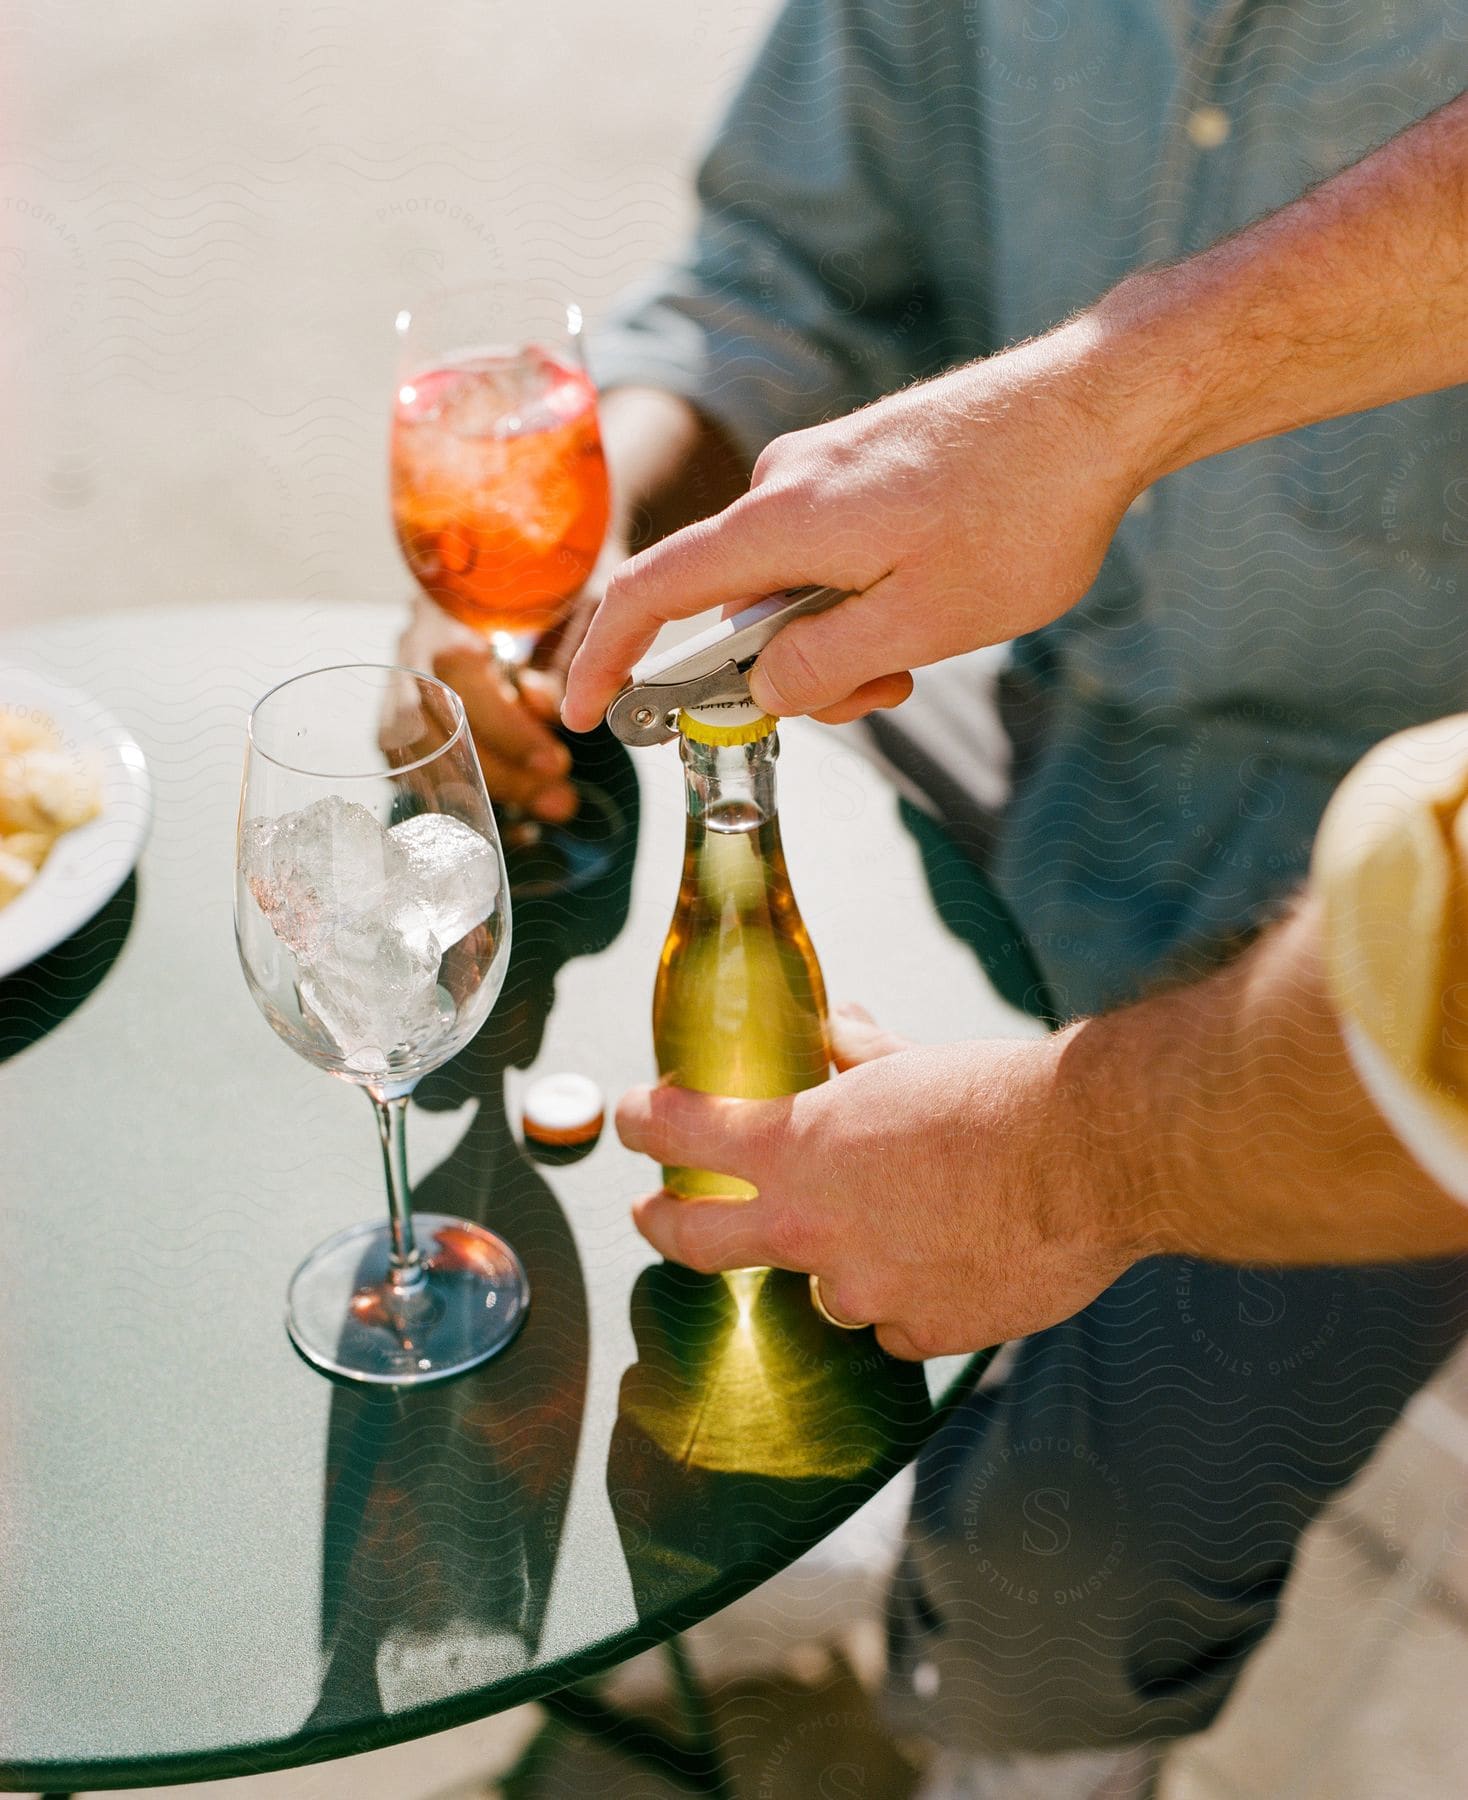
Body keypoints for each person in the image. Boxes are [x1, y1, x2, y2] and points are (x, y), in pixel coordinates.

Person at [404, 6, 1468, 1792]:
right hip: (1030, 679)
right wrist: (601, 560)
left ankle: (1017, 1734)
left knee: (1073, 1573)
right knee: (604, 1040)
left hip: (1389, 839)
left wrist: (1073, 1156)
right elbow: (793, 267)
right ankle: (830, 1550)